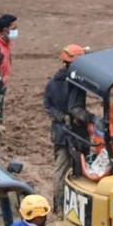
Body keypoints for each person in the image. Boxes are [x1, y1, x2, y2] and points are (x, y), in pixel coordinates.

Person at [44, 44, 92, 211]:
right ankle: (61, 207)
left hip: (60, 133)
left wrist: (61, 117)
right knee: (77, 171)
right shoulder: (74, 83)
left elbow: (48, 107)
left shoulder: (52, 83)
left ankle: (60, 205)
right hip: (71, 134)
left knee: (61, 169)